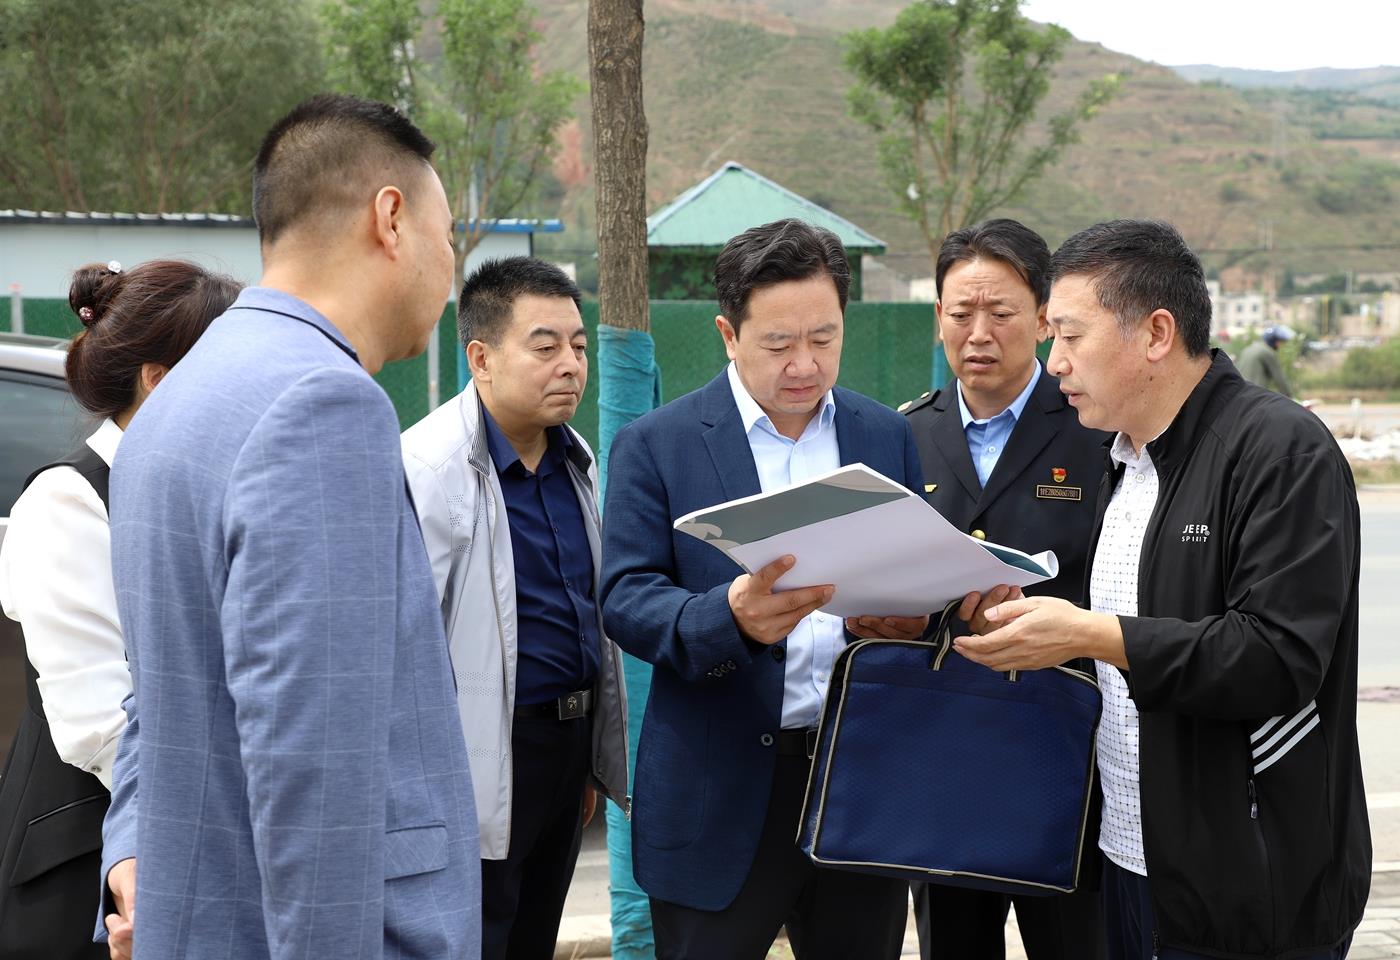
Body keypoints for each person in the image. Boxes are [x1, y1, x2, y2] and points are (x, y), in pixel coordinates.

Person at [98, 93, 481, 960]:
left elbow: (160, 692)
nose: (451, 267)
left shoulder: (175, 400)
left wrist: (132, 850)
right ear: (391, 217)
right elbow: (316, 763)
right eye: (449, 233)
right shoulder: (323, 403)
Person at [957, 219, 1370, 960]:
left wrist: (1092, 634)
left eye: (1070, 336)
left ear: (1155, 333)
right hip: (1130, 857)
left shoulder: (1277, 450)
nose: (1054, 363)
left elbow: (1278, 657)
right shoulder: (1121, 459)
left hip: (1250, 883)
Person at [600, 218, 925, 960]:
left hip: (856, 783)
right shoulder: (658, 444)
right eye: (778, 343)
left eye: (824, 338)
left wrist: (911, 622)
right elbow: (625, 597)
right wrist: (729, 617)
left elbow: (912, 572)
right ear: (728, 334)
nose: (805, 364)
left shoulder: (885, 436)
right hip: (718, 793)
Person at [0, 259, 239, 960]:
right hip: (87, 863)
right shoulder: (67, 501)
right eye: (230, 373)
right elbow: (101, 723)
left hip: (189, 835)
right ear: (158, 381)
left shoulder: (205, 490)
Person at [401, 256, 628, 959]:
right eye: (545, 346)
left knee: (534, 936)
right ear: (481, 359)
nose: (571, 365)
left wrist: (586, 758)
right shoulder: (429, 469)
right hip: (477, 756)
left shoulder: (575, 461)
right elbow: (407, 648)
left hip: (565, 748)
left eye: (579, 346)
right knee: (475, 937)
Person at [900, 218, 1108, 960]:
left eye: (1001, 313)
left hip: (1066, 751)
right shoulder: (904, 435)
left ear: (1045, 318)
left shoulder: (1095, 429)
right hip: (943, 751)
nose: (979, 333)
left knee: (1077, 942)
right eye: (961, 313)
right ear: (939, 318)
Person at [1237, 324, 1294, 397]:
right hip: (1255, 396)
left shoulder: (1248, 349)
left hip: (1240, 393)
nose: (1280, 346)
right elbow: (1280, 380)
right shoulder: (1267, 352)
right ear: (1273, 341)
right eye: (1280, 342)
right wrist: (1289, 397)